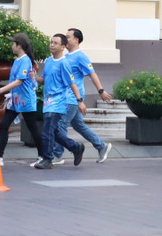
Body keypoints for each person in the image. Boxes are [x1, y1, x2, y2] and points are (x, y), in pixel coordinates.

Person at [63, 28, 114, 162]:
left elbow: (92, 73)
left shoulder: (81, 56)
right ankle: (101, 146)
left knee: (60, 125)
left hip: (73, 97)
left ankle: (56, 154)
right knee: (78, 125)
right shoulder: (66, 56)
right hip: (65, 96)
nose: (65, 39)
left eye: (68, 37)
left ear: (76, 40)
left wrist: (101, 91)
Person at [0, 32, 43, 161]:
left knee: (33, 128)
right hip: (15, 100)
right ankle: (0, 156)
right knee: (3, 125)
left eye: (13, 43)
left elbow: (19, 81)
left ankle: (43, 155)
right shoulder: (17, 61)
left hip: (25, 101)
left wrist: (0, 90)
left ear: (19, 45)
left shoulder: (25, 61)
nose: (12, 46)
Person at [40, 33, 86, 169]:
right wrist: (34, 77)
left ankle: (47, 159)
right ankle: (76, 147)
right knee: (53, 132)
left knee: (46, 131)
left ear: (63, 46)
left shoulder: (64, 63)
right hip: (47, 102)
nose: (52, 45)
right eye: (51, 42)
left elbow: (72, 83)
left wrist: (80, 101)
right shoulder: (48, 61)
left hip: (58, 102)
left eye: (55, 43)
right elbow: (44, 80)